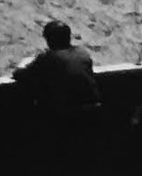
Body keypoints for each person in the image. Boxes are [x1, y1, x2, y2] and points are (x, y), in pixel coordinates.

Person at [12, 19, 102, 174]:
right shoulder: (83, 53)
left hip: (67, 117)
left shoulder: (48, 58)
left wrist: (23, 63)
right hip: (94, 113)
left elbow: (20, 75)